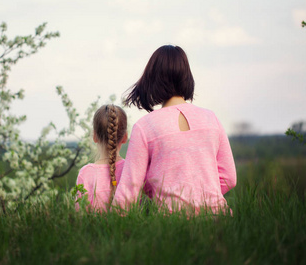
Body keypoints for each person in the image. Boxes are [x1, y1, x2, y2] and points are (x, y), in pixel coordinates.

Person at [112, 45, 236, 215]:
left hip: (170, 222)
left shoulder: (145, 126)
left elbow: (130, 187)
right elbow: (229, 177)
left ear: (152, 78)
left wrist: (112, 224)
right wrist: (200, 196)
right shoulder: (211, 118)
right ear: (186, 76)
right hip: (219, 219)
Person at [75, 104, 128, 212]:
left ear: (94, 136)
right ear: (125, 137)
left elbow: (79, 214)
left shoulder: (85, 173)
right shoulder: (131, 169)